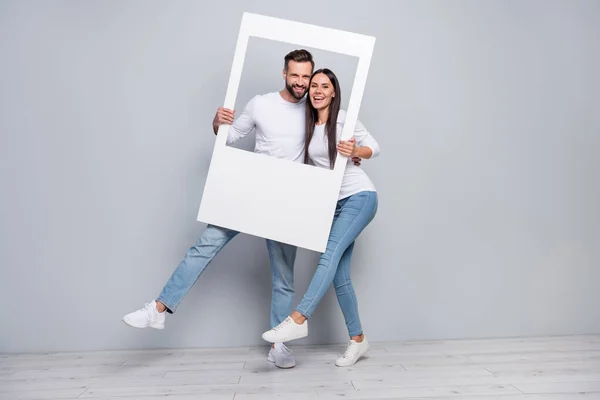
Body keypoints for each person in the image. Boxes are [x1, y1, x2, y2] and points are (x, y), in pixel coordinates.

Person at [122, 49, 317, 369]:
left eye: (305, 76)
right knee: (204, 246)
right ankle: (158, 310)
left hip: (285, 202)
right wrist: (217, 123)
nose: (300, 82)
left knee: (283, 278)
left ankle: (279, 346)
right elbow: (229, 135)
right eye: (295, 75)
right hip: (250, 191)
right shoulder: (261, 103)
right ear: (284, 73)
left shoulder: (314, 109)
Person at [261, 68, 380, 367]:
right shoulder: (308, 123)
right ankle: (358, 341)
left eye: (324, 86)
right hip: (333, 205)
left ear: (333, 92)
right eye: (313, 85)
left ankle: (299, 317)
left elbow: (374, 148)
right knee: (339, 276)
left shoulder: (344, 119)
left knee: (327, 257)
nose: (317, 90)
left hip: (359, 196)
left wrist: (356, 150)